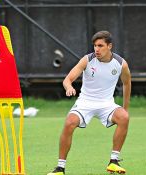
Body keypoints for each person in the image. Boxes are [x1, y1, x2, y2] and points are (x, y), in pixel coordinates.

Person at [47, 31, 131, 175]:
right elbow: (67, 80)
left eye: (100, 45)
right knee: (69, 123)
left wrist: (125, 108)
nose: (96, 49)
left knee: (124, 117)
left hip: (107, 104)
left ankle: (114, 162)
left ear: (109, 46)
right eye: (94, 46)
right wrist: (69, 87)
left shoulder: (121, 64)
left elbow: (127, 83)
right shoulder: (87, 60)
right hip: (85, 102)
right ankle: (60, 168)